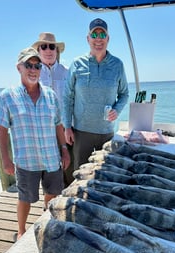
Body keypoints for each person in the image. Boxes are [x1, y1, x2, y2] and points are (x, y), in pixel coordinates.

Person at [0, 47, 70, 240]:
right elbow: (2, 130)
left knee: (52, 194)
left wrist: (64, 150)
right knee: (25, 198)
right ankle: (21, 230)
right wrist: (6, 160)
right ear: (19, 67)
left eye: (37, 65)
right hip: (26, 161)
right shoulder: (7, 96)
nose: (33, 69)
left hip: (52, 158)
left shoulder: (51, 95)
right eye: (29, 65)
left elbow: (58, 125)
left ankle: (48, 224)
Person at [63, 18, 129, 170]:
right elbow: (67, 98)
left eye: (102, 34)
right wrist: (67, 126)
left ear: (108, 38)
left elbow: (124, 94)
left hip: (107, 133)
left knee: (105, 174)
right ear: (88, 39)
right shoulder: (77, 63)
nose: (98, 39)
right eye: (94, 35)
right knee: (80, 176)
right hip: (81, 133)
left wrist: (117, 110)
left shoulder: (117, 65)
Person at [32, 32, 74, 186]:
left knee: (70, 170)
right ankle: (50, 204)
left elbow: (73, 101)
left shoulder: (68, 72)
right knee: (49, 174)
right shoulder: (32, 73)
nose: (48, 50)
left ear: (57, 51)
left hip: (66, 129)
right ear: (39, 51)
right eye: (44, 46)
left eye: (52, 47)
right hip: (43, 132)